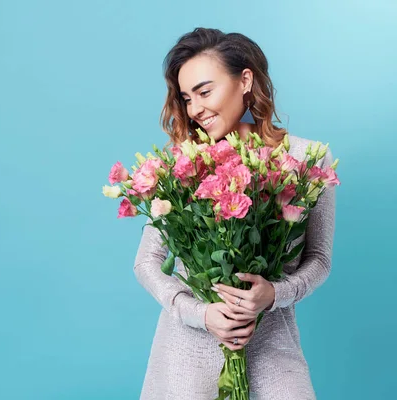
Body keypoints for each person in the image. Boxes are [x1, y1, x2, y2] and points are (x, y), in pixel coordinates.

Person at [133, 27, 336, 399]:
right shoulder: (181, 164)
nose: (195, 109)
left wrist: (276, 293)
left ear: (245, 80)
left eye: (205, 92)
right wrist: (201, 314)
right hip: (186, 352)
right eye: (187, 98)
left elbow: (319, 259)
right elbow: (147, 262)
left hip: (273, 347)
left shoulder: (307, 159)